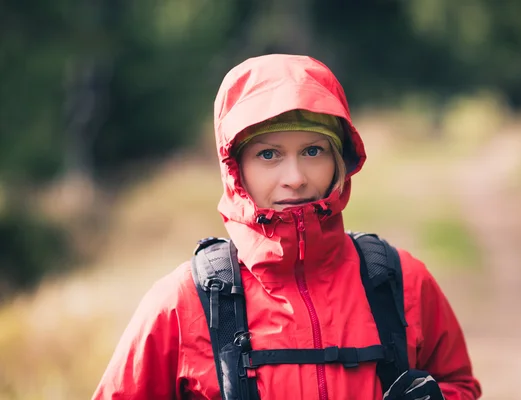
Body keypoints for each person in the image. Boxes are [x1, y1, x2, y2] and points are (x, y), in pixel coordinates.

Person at [92, 54, 482, 400]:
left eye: (313, 151)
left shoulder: (400, 282)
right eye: (268, 154)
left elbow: (459, 384)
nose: (294, 177)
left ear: (339, 159)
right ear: (235, 168)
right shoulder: (183, 302)